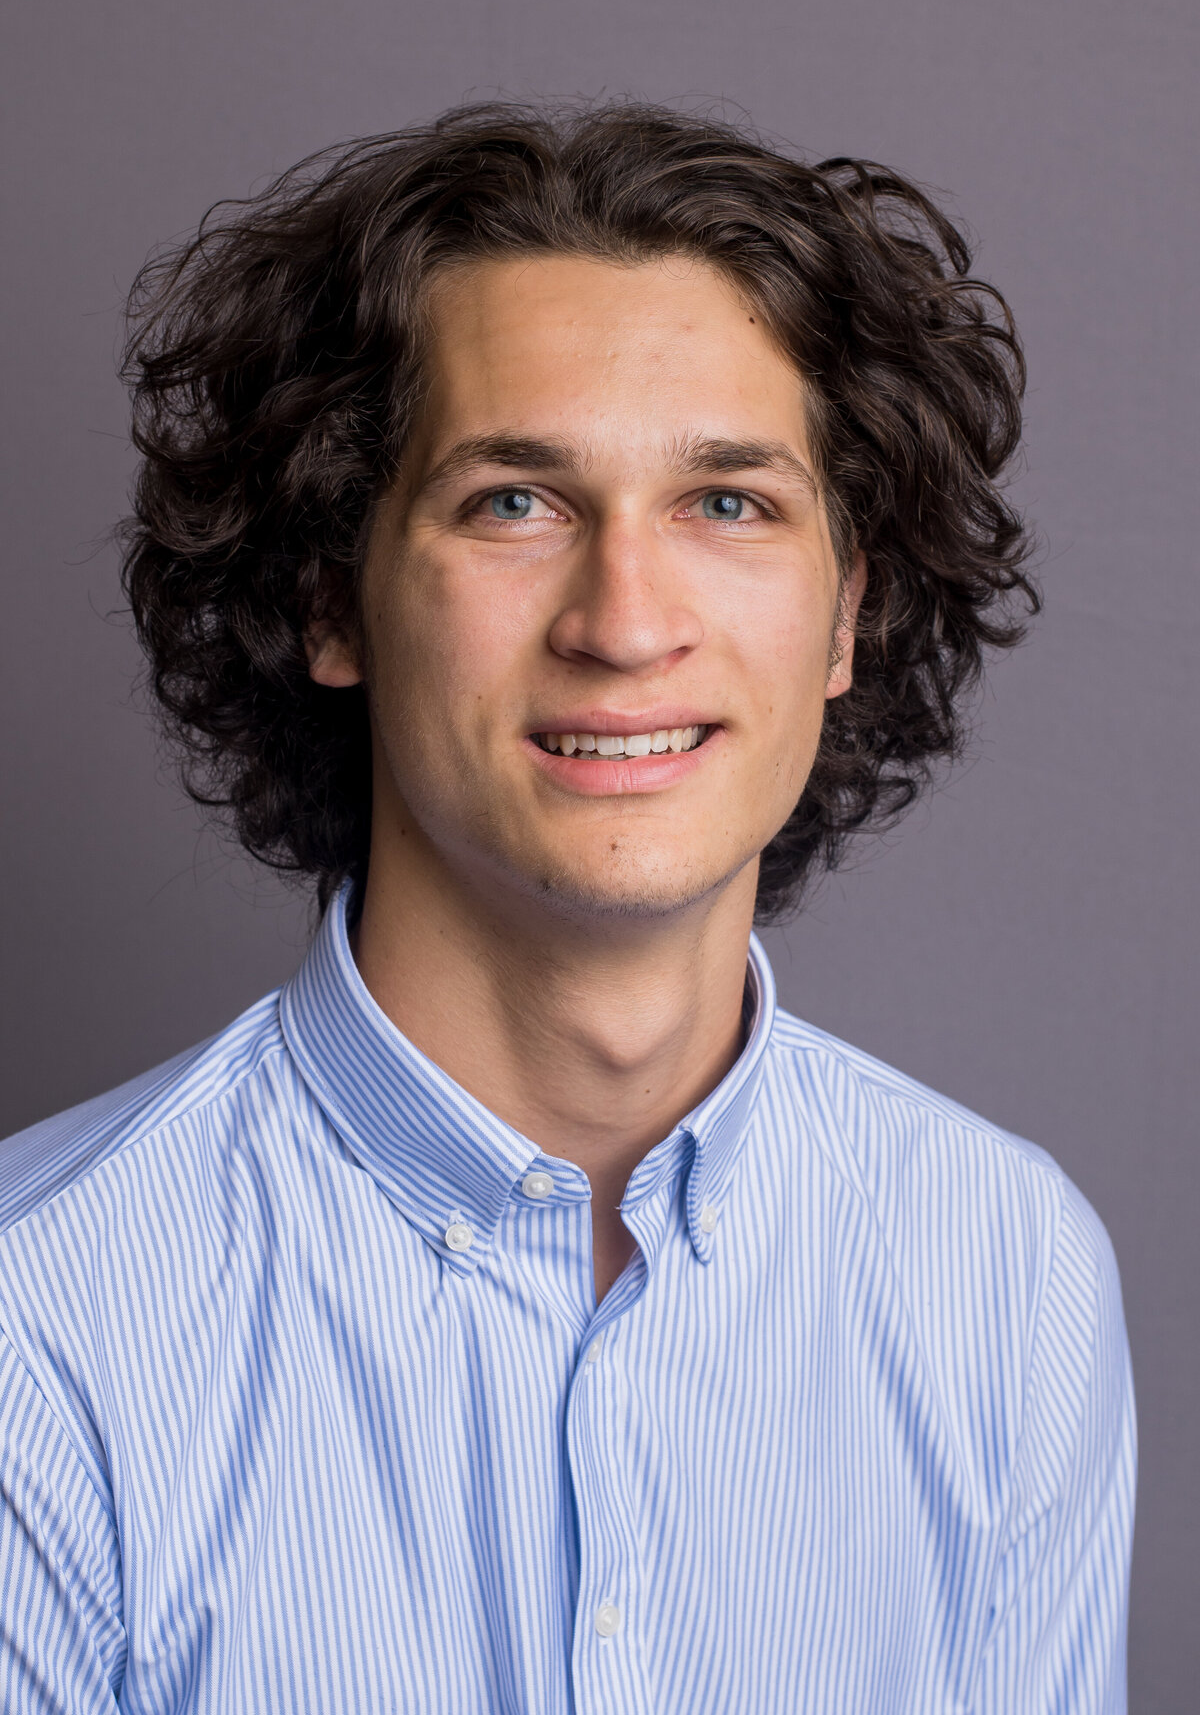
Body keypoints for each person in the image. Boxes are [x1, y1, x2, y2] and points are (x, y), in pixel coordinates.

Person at [0, 104, 1134, 1713]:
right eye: (514, 503)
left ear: (846, 613)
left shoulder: (1010, 1279)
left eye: (728, 503)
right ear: (332, 596)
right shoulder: (34, 1325)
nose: (624, 622)